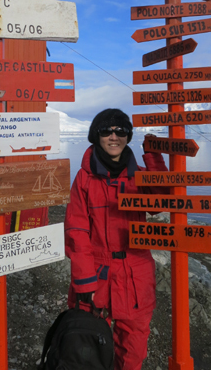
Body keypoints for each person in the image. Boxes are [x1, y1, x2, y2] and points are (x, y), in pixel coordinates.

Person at [64, 108, 169, 370]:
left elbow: (162, 199)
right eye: (106, 131)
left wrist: (154, 155)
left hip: (136, 274)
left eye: (120, 131)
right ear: (95, 136)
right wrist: (84, 280)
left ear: (128, 136)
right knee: (87, 346)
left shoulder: (140, 174)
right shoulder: (84, 178)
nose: (114, 136)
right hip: (96, 275)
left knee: (132, 350)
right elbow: (76, 230)